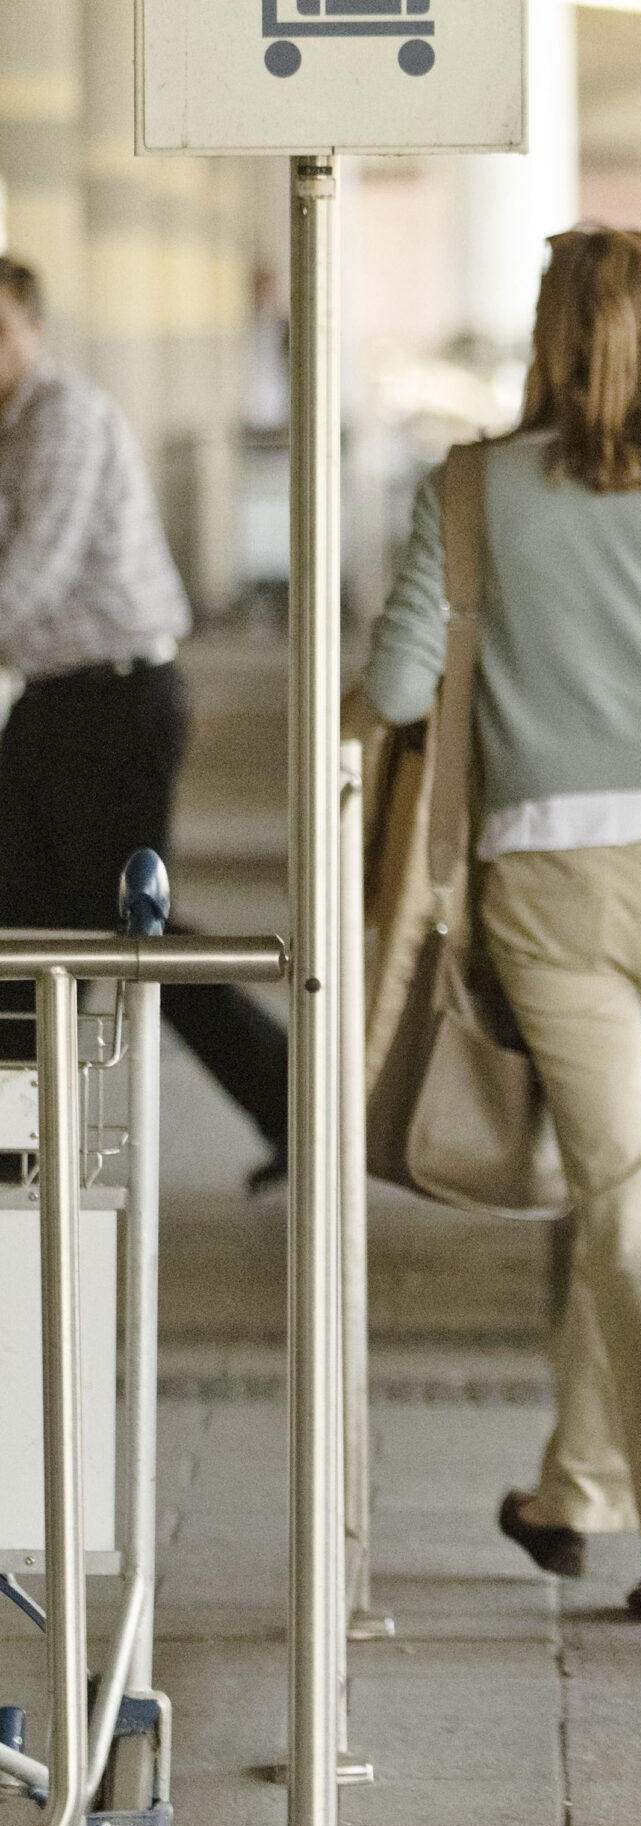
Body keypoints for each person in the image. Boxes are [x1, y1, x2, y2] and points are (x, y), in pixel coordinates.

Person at [365, 227, 641, 1624]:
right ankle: (571, 1495)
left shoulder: (473, 493)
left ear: (547, 337)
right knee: (631, 1194)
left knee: (625, 1207)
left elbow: (388, 685)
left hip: (545, 890)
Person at [0, 256, 291, 1186]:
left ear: (34, 331)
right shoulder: (11, 427)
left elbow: (26, 578)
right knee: (23, 914)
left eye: (0, 331)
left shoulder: (61, 420)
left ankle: (295, 1099)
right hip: (57, 697)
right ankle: (23, 1139)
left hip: (116, 700)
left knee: (125, 930)